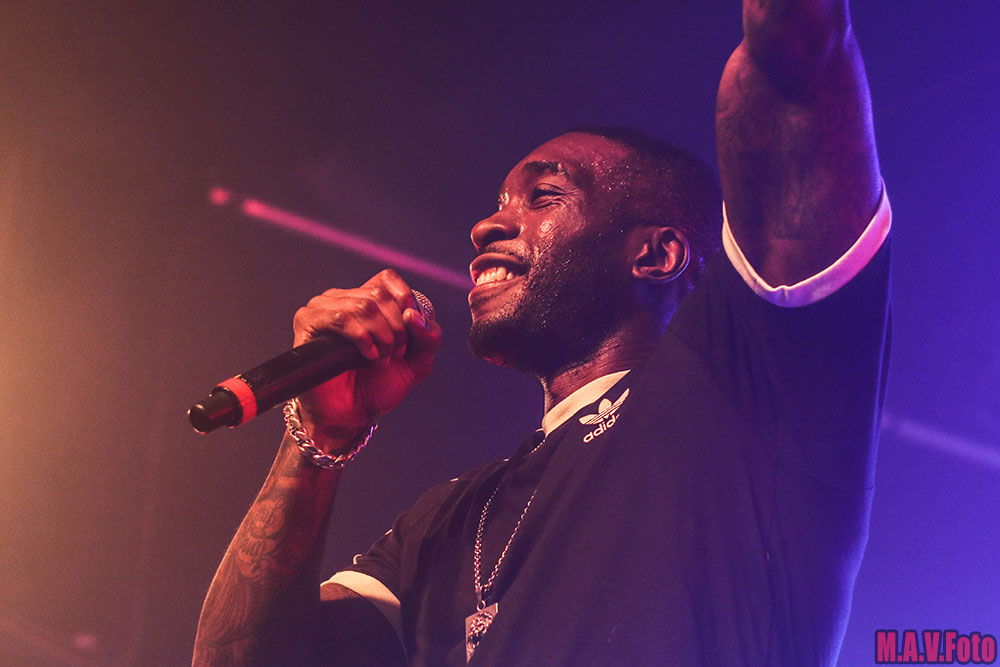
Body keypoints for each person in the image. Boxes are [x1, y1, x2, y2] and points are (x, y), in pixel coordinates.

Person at [193, 0, 891, 664]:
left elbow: (795, 72)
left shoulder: (741, 393)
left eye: (544, 196)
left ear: (656, 255)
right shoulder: (447, 521)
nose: (486, 225)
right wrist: (317, 440)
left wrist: (789, 38)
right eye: (501, 201)